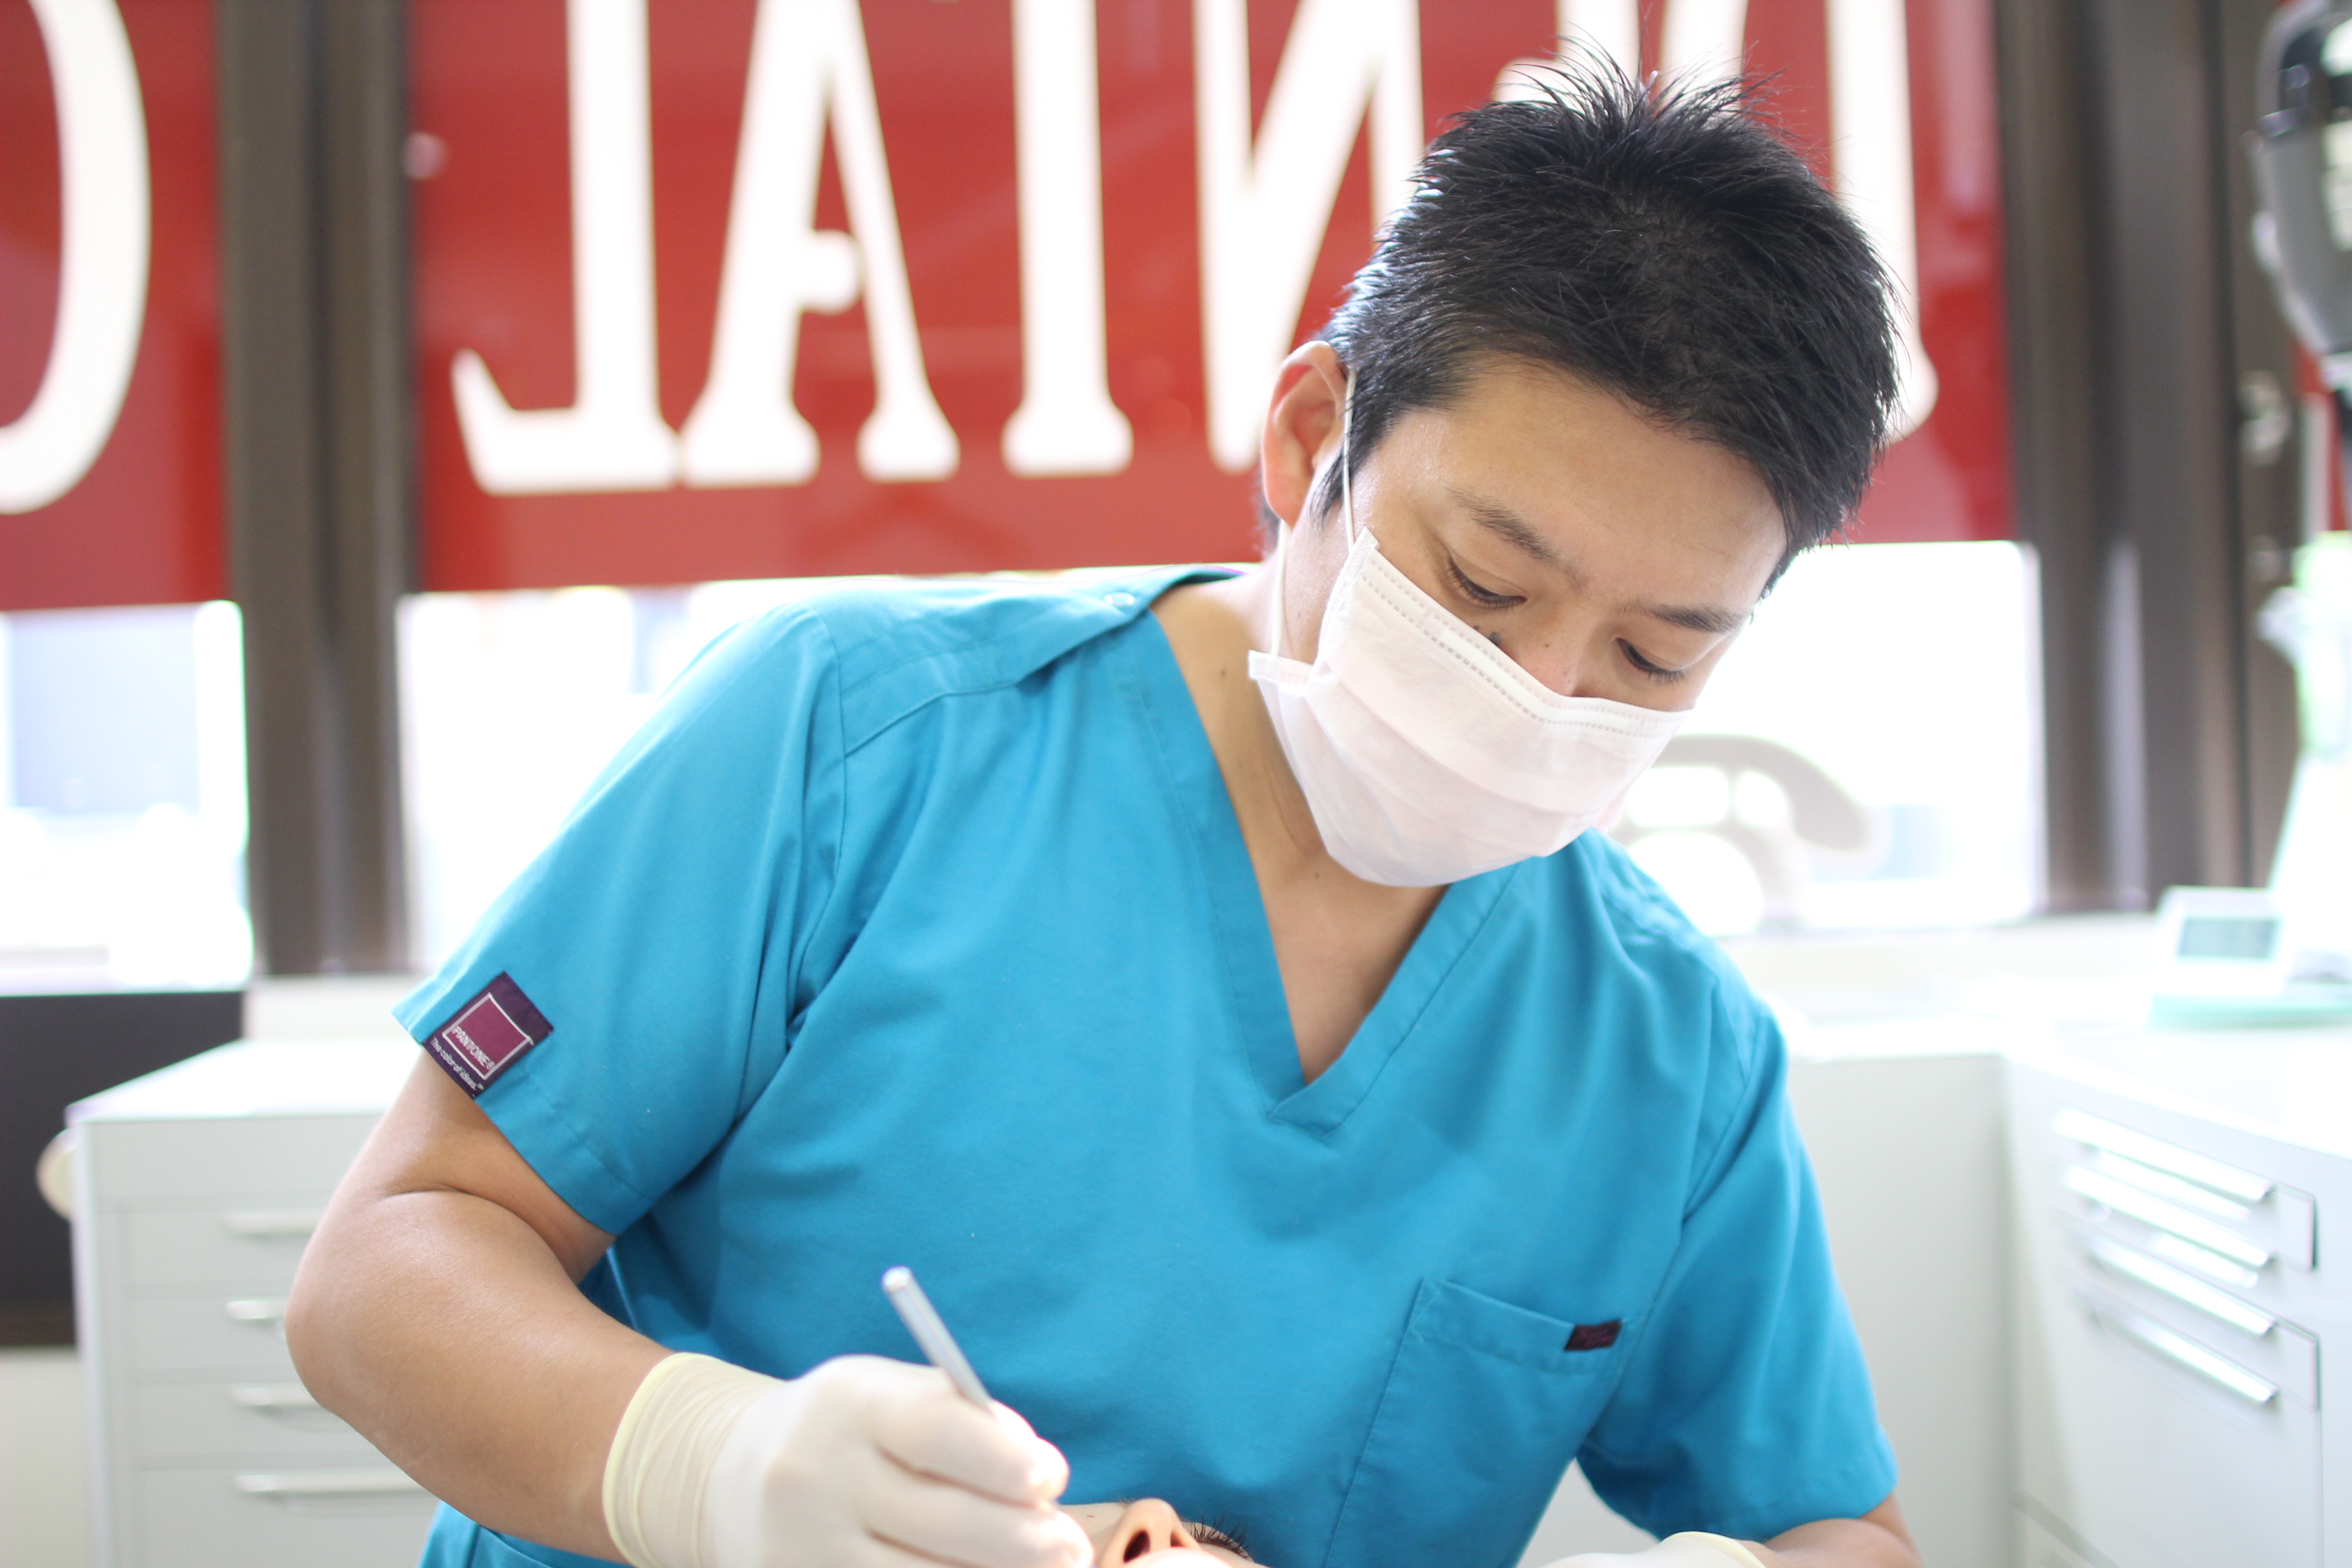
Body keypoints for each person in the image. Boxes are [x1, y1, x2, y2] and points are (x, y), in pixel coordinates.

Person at [288, 65, 1921, 1568]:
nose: (1538, 694)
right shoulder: (857, 741)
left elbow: (1838, 1528)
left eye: (1654, 654)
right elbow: (382, 1272)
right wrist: (708, 1465)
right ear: (1310, 437)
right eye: (1484, 585)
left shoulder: (1662, 1049)